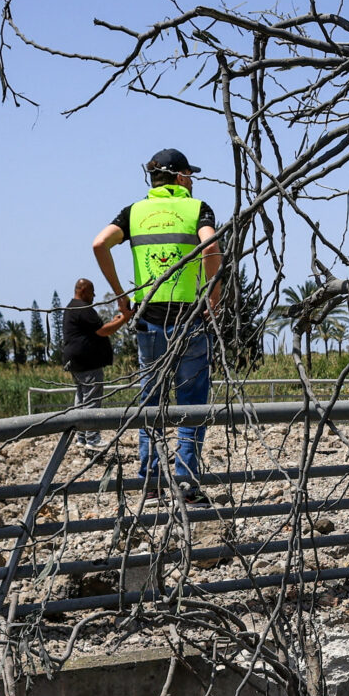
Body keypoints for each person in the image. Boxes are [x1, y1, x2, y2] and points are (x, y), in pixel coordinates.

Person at [93, 148, 221, 502]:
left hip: (149, 320)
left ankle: (150, 484)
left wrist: (121, 296)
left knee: (151, 402)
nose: (192, 181)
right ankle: (186, 485)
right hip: (190, 320)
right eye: (189, 175)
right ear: (180, 176)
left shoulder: (133, 212)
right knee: (191, 404)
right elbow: (211, 245)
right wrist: (213, 297)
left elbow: (99, 243)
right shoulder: (197, 209)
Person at [55, 277, 121, 446]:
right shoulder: (83, 308)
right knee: (92, 399)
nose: (94, 296)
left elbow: (93, 330)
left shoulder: (71, 307)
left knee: (81, 398)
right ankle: (92, 438)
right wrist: (123, 320)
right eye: (92, 292)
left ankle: (81, 437)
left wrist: (115, 321)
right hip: (88, 362)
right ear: (83, 291)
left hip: (75, 361)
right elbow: (102, 331)